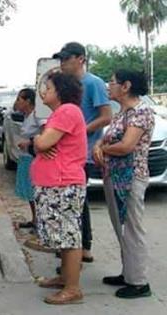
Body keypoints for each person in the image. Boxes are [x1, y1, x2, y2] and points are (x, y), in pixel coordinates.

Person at [94, 70, 154, 299]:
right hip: (115, 176)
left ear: (126, 86)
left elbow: (126, 146)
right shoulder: (122, 113)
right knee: (121, 226)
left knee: (132, 228)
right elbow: (108, 137)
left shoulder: (141, 112)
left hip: (131, 178)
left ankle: (139, 281)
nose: (109, 85)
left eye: (112, 81)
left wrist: (102, 149)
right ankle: (128, 272)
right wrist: (100, 144)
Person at [32, 72, 87, 304]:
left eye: (49, 88)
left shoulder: (67, 111)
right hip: (55, 182)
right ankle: (65, 277)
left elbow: (43, 143)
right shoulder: (61, 113)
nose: (44, 92)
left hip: (63, 183)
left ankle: (73, 288)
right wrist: (40, 142)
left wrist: (38, 140)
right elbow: (42, 145)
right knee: (62, 235)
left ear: (61, 91)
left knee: (69, 235)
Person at [53, 42, 111, 263]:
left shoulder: (93, 83)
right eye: (61, 59)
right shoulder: (65, 85)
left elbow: (106, 116)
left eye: (66, 59)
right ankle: (71, 247)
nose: (63, 63)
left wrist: (79, 131)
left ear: (80, 59)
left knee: (77, 202)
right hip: (64, 153)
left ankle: (83, 247)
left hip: (83, 153)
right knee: (68, 202)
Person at [14, 88, 42, 230]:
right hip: (25, 157)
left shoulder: (38, 115)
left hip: (33, 157)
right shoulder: (26, 116)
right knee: (29, 191)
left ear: (28, 101)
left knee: (35, 191)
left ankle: (40, 222)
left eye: (20, 99)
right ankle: (35, 219)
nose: (17, 102)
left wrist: (30, 142)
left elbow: (45, 132)